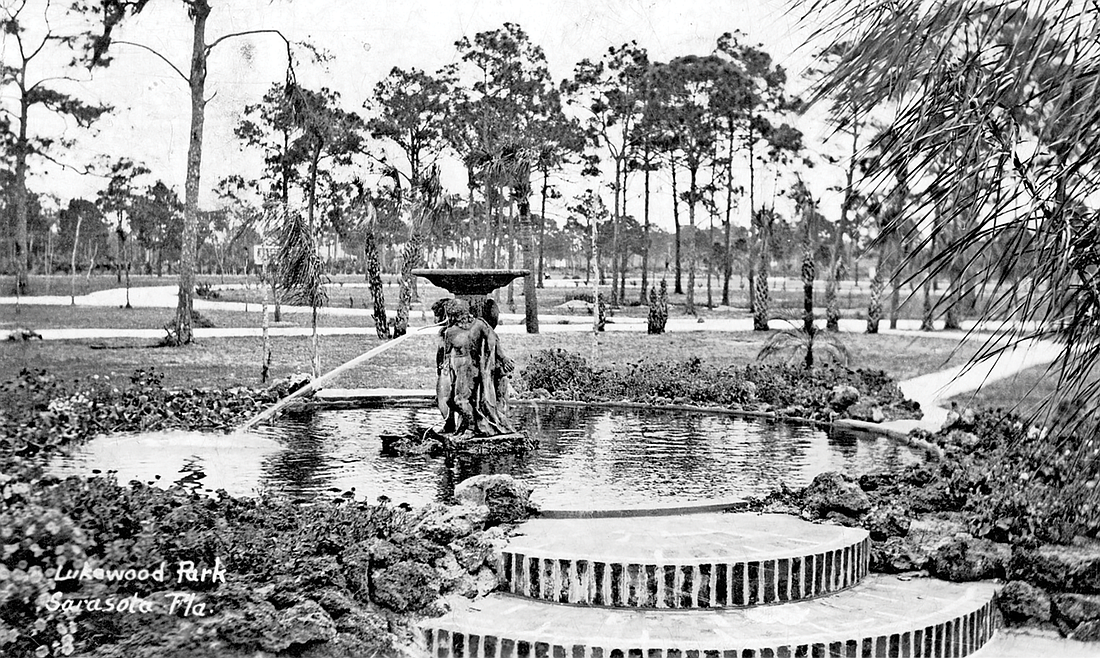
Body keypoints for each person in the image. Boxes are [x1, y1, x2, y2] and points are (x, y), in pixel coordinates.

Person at [435, 298, 515, 437]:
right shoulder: (450, 332)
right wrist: (446, 370)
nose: (462, 318)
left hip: (470, 368)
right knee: (451, 401)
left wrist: (502, 358)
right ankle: (463, 427)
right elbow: (446, 355)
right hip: (456, 369)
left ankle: (471, 429)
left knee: (460, 400)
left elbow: (493, 341)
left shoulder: (479, 325)